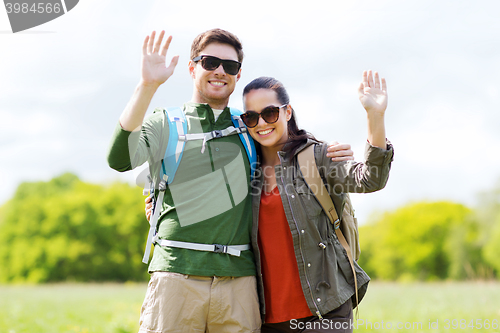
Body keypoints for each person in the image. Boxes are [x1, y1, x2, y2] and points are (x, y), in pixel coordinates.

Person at [107, 29, 354, 333]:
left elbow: (289, 147)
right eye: (210, 62)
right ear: (192, 67)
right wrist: (147, 86)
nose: (220, 71)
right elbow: (120, 159)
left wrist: (328, 149)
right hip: (176, 276)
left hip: (239, 282)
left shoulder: (249, 124)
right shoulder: (166, 121)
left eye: (230, 66)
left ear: (238, 74)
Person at [241, 73, 393, 332]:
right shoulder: (245, 170)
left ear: (287, 112)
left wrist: (374, 116)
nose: (261, 123)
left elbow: (370, 179)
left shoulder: (316, 157)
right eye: (251, 117)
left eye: (269, 113)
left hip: (325, 312)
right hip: (266, 318)